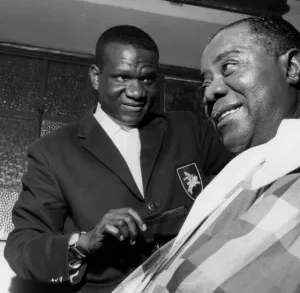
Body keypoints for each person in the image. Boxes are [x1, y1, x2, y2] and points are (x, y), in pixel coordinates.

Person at [4, 25, 232, 293]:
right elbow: (21, 247)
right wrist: (84, 243)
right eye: (122, 77)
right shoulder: (52, 152)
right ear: (96, 77)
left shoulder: (190, 129)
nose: (136, 93)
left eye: (147, 79)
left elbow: (246, 179)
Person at [113, 16, 300, 293]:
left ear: (293, 67)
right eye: (205, 83)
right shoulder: (249, 176)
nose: (210, 91)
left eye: (229, 66)